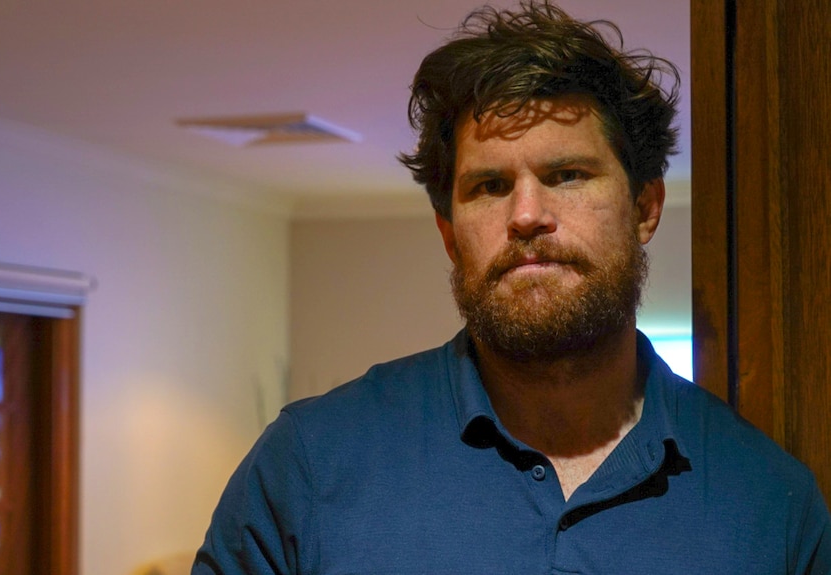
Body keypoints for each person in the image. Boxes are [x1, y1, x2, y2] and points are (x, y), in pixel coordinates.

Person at [193, 1, 831, 573]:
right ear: (449, 232)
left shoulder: (771, 505)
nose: (526, 215)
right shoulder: (310, 464)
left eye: (568, 174)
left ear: (645, 207)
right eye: (490, 186)